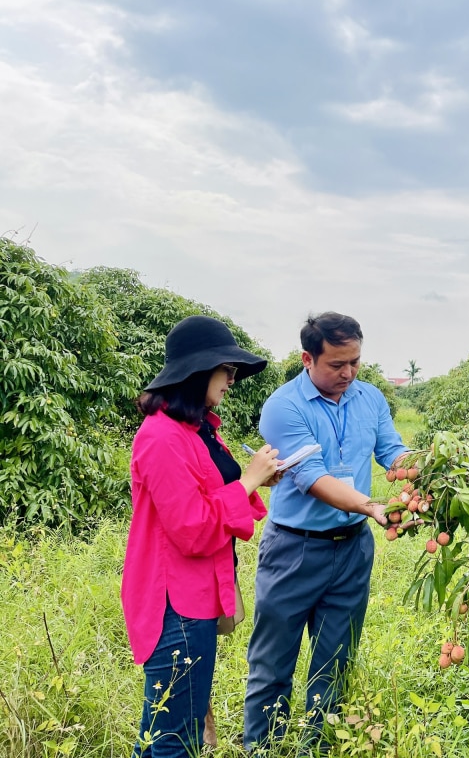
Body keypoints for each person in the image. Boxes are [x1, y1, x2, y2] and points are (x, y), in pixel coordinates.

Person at [243, 312, 409, 751]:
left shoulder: (370, 398)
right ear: (306, 359)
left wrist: (437, 468)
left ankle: (315, 745)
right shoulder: (284, 407)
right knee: (272, 661)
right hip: (294, 551)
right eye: (337, 365)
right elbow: (311, 477)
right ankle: (262, 747)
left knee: (336, 659)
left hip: (353, 548)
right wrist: (372, 506)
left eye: (355, 362)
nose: (348, 373)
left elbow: (392, 451)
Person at [121, 315, 282, 757]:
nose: (231, 379)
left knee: (163, 730)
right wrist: (247, 482)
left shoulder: (198, 430)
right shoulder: (161, 437)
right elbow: (192, 529)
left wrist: (256, 480)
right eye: (225, 370)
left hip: (195, 596)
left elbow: (212, 491)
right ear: (197, 371)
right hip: (175, 603)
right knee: (176, 737)